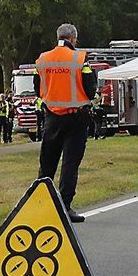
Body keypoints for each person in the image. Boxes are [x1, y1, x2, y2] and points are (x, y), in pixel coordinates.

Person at [34, 23, 97, 223]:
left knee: (47, 164)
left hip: (52, 118)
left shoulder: (43, 59)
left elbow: (38, 89)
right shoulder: (80, 58)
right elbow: (90, 89)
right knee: (70, 164)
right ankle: (65, 207)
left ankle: (39, 206)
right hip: (76, 118)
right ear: (73, 39)